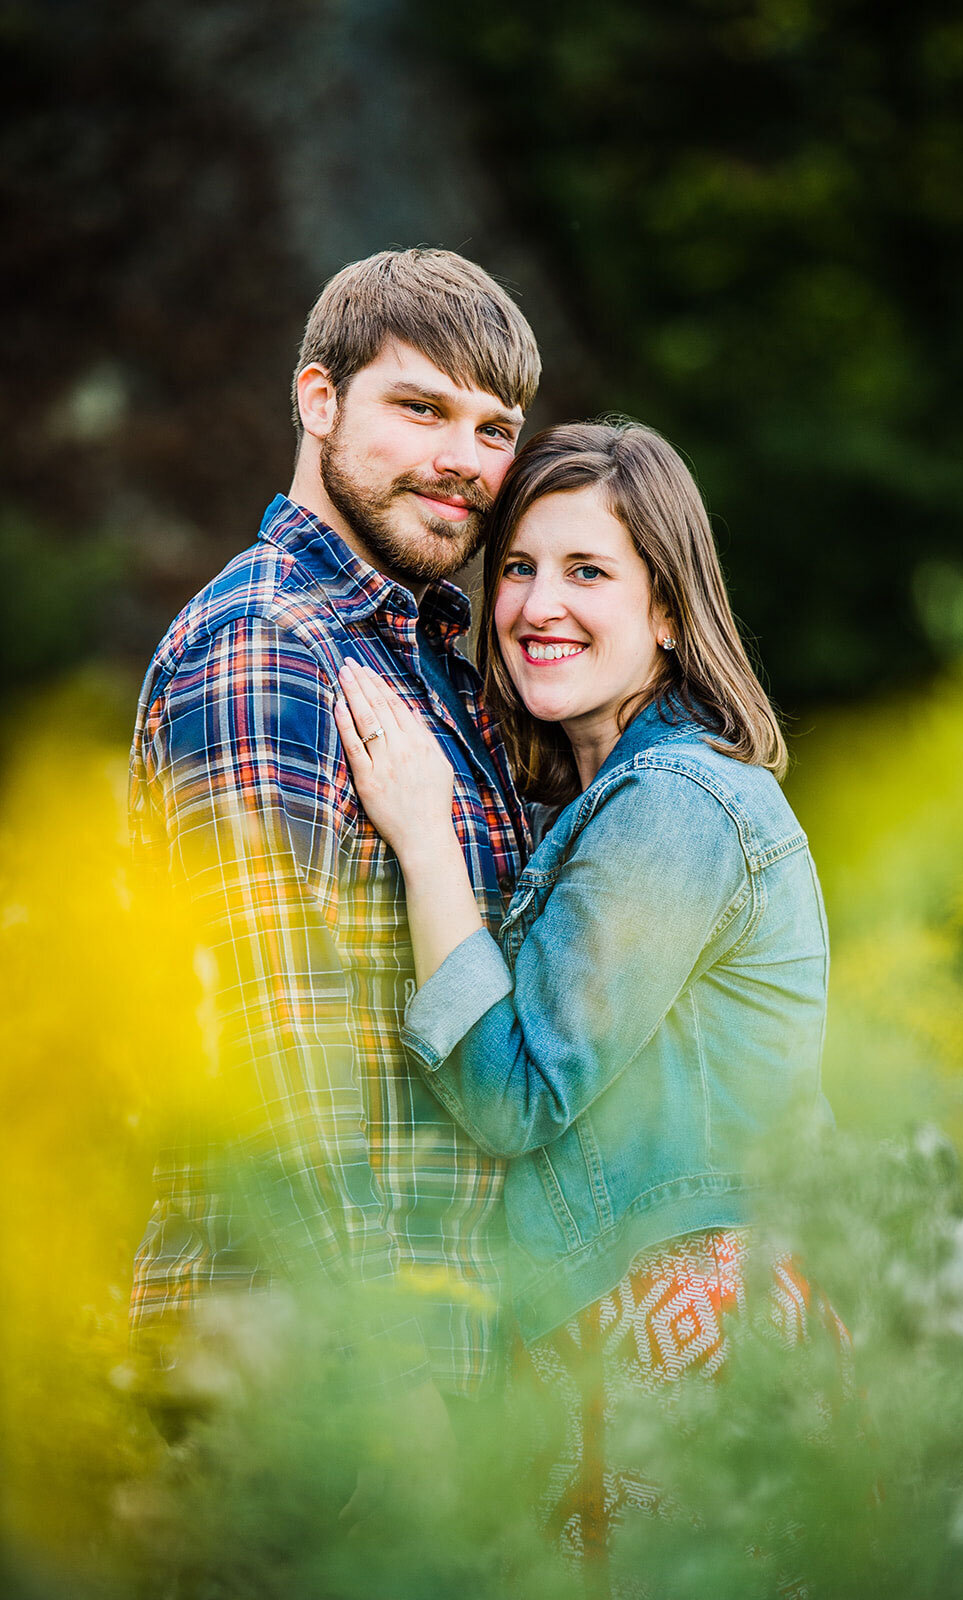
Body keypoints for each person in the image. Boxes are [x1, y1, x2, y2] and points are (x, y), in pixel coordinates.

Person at [333, 418, 850, 1570]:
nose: (535, 604)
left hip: (674, 1352)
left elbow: (520, 1093)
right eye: (516, 566)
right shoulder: (606, 796)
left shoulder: (674, 802)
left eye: (587, 571)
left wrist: (424, 842)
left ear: (667, 610)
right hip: (625, 1337)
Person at [128, 248, 540, 1448]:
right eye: (421, 408)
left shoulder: (432, 668)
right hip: (298, 1375)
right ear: (319, 401)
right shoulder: (269, 646)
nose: (463, 459)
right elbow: (277, 1035)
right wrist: (384, 1370)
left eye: (494, 428)